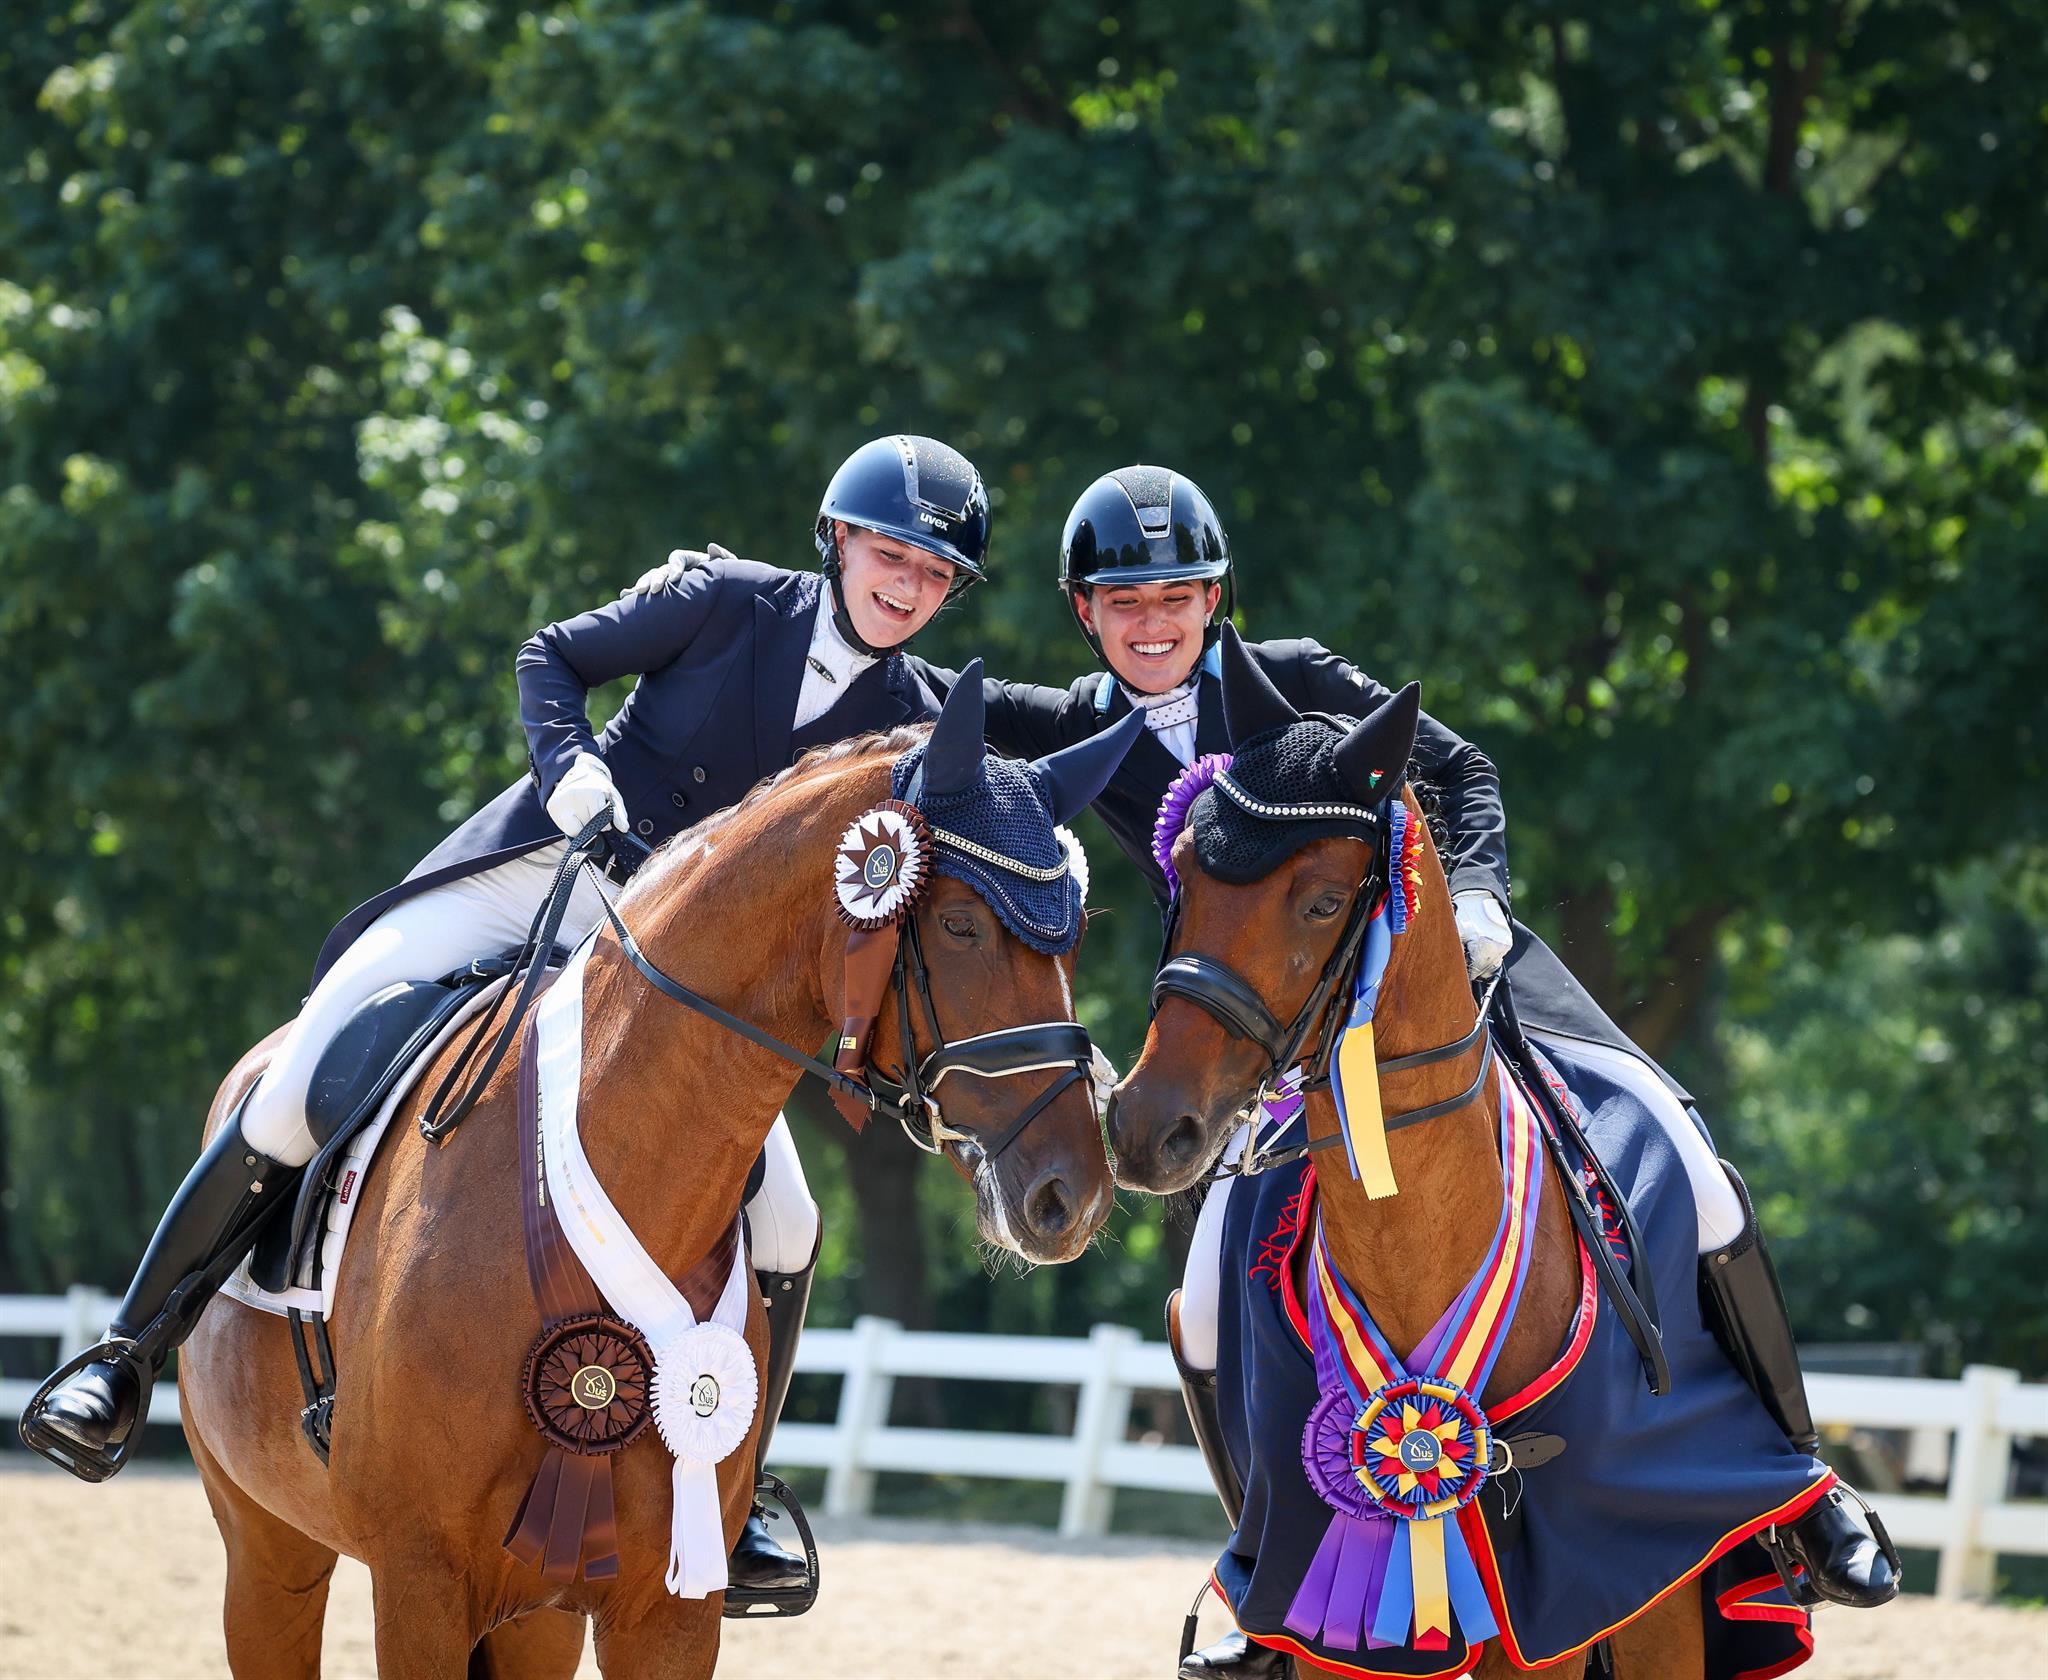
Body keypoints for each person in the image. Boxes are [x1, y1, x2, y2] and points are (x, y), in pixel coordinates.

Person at [642, 461, 1897, 1670]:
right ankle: (1267, 1577)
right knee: (1198, 1303)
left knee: (1685, 1154)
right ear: (1084, 615)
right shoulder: (1071, 731)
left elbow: (1455, 768)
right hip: (1265, 1058)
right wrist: (749, 597)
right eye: (1123, 605)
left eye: (1174, 600)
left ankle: (1797, 1486)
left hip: (1435, 986)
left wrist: (1470, 899)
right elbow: (906, 710)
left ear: (1212, 601)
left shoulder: (1294, 682)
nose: (1151, 626)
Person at [22, 434, 991, 1605]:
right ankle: (125, 1359)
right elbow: (551, 656)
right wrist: (571, 767)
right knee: (310, 1064)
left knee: (785, 1218)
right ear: (838, 539)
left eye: (937, 574)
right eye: (894, 552)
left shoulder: (911, 712)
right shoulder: (724, 600)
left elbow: (1052, 724)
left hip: (668, 973)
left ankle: (735, 1495)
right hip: (542, 868)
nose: (911, 585)